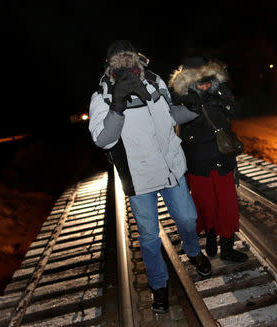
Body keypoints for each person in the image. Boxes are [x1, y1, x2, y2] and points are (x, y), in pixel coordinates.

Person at [88, 40, 210, 314]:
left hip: (170, 168)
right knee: (149, 236)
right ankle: (159, 285)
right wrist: (117, 106)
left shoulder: (155, 82)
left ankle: (192, 252)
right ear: (109, 67)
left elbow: (169, 116)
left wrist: (191, 109)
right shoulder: (102, 95)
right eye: (119, 65)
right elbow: (103, 140)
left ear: (138, 60)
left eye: (129, 62)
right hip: (138, 177)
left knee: (188, 218)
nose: (127, 70)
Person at [168, 57, 248, 263]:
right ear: (189, 81)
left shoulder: (218, 92)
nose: (205, 85)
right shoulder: (180, 98)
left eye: (208, 81)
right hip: (198, 162)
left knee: (228, 206)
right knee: (206, 205)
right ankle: (211, 239)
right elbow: (174, 122)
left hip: (223, 159)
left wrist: (221, 94)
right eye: (200, 82)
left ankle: (227, 248)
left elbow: (235, 112)